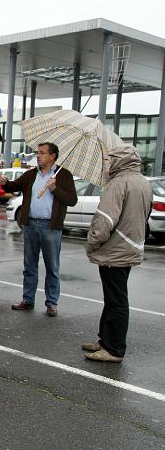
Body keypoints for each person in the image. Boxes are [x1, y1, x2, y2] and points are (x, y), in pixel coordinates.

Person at [82, 145, 152, 363]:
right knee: (114, 299)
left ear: (120, 161)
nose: (108, 164)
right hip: (130, 246)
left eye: (110, 160)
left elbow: (104, 221)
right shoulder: (143, 182)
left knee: (116, 300)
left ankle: (113, 349)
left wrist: (92, 243)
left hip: (115, 250)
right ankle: (105, 340)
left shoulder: (118, 183)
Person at [0, 142, 77, 317]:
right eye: (37, 152)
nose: (38, 156)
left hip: (51, 227)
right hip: (31, 224)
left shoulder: (63, 175)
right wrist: (5, 183)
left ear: (53, 156)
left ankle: (52, 303)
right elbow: (14, 186)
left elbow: (72, 200)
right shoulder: (31, 174)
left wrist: (54, 189)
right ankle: (28, 300)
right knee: (29, 265)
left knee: (52, 267)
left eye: (42, 153)